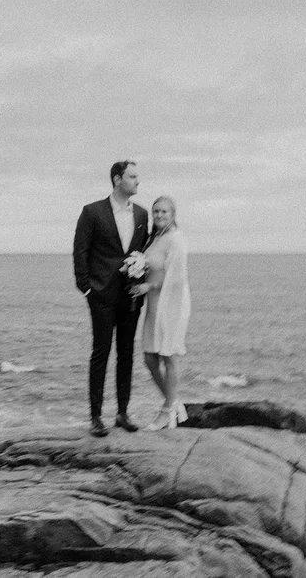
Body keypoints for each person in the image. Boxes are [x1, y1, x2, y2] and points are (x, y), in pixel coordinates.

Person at [73, 160, 150, 437]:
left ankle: (122, 413)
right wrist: (87, 288)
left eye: (137, 176)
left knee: (126, 354)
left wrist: (141, 281)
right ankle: (95, 416)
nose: (137, 181)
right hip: (101, 295)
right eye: (132, 176)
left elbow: (143, 250)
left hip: (130, 297)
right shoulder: (92, 212)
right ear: (117, 179)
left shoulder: (141, 214)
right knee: (100, 354)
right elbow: (80, 251)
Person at [132, 196, 191, 430]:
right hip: (154, 304)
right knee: (149, 357)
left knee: (168, 356)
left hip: (172, 303)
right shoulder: (155, 238)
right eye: (155, 211)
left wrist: (148, 286)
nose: (159, 215)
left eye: (164, 211)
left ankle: (166, 410)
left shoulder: (176, 240)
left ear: (173, 214)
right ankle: (174, 403)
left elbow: (177, 277)